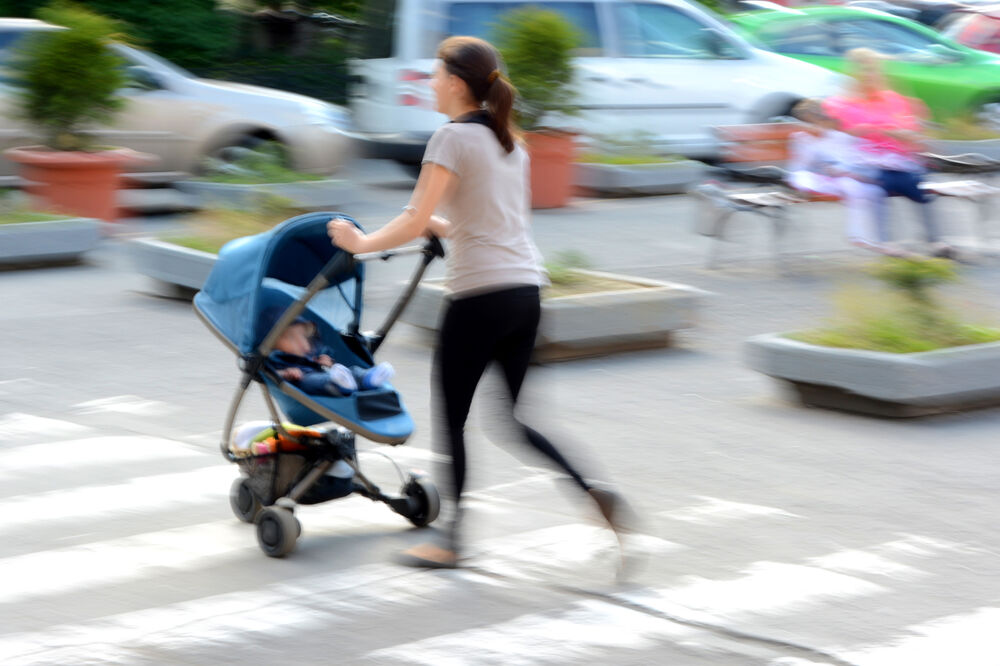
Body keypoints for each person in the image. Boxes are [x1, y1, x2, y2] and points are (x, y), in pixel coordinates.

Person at [327, 36, 629, 569]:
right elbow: (488, 220)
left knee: (453, 421)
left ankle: (451, 541)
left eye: (436, 74)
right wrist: (442, 224)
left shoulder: (450, 139)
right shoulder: (510, 140)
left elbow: (414, 220)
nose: (430, 83)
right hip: (525, 293)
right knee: (513, 419)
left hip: (479, 297)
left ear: (458, 84)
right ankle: (592, 492)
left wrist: (360, 243)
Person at [822, 48, 955, 258]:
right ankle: (887, 242)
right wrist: (859, 132)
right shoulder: (840, 104)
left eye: (874, 71)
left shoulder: (892, 100)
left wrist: (904, 135)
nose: (870, 76)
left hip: (898, 160)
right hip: (861, 163)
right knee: (882, 182)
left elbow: (910, 131)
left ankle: (934, 240)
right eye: (864, 71)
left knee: (916, 182)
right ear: (854, 74)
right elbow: (833, 136)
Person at [786, 98, 888, 254]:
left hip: (837, 178)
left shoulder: (837, 137)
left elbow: (851, 158)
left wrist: (843, 170)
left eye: (817, 120)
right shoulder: (802, 139)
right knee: (850, 186)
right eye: (809, 121)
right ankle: (860, 236)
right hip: (811, 177)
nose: (815, 125)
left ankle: (870, 238)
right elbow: (803, 165)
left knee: (867, 190)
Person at [265, 309, 394, 396]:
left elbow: (330, 364)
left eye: (303, 337)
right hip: (305, 381)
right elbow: (269, 374)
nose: (301, 344)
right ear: (274, 342)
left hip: (329, 373)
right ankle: (339, 384)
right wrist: (286, 373)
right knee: (314, 380)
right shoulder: (275, 357)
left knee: (351, 370)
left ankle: (368, 378)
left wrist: (329, 363)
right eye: (291, 338)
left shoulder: (312, 353)